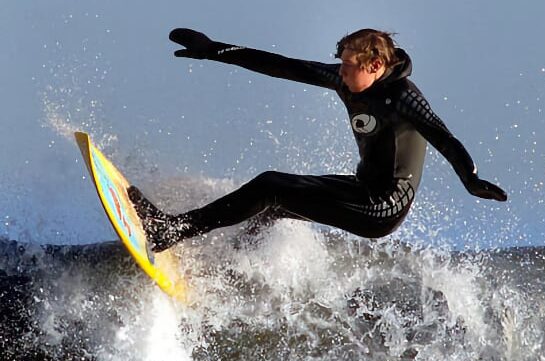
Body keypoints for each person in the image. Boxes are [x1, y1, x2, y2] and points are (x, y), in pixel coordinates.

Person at [128, 28, 507, 252]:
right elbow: (283, 66)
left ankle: (170, 231)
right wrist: (214, 50)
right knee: (272, 205)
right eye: (340, 61)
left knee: (271, 186)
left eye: (348, 65)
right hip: (361, 189)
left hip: (383, 208)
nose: (340, 71)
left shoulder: (404, 97)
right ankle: (235, 262)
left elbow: (444, 138)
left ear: (374, 66)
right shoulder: (347, 80)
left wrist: (469, 178)